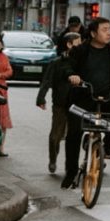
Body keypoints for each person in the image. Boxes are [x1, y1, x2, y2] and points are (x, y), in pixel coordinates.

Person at [60, 17, 110, 189]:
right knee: (73, 135)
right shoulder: (80, 50)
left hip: (106, 98)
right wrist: (72, 75)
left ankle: (109, 145)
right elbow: (67, 66)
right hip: (82, 98)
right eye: (104, 29)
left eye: (109, 29)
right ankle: (70, 173)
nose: (108, 33)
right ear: (93, 33)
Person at [37, 32, 82, 174]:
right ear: (69, 44)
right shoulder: (56, 63)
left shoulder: (82, 62)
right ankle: (53, 159)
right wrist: (41, 98)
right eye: (78, 43)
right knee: (55, 136)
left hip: (79, 104)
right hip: (60, 103)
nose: (81, 46)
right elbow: (47, 81)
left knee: (78, 135)